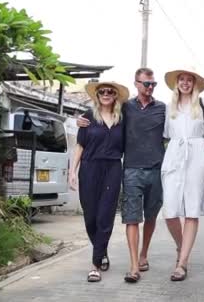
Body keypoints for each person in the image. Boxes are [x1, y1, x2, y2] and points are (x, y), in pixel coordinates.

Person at [77, 68, 166, 284]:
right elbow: (88, 132)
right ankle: (117, 258)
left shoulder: (144, 111)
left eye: (153, 84)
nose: (106, 94)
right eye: (146, 84)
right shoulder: (108, 112)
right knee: (110, 218)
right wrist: (80, 120)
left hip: (136, 169)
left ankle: (113, 261)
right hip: (110, 169)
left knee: (129, 216)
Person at [69, 81, 130, 283]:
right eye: (102, 91)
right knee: (91, 217)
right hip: (89, 167)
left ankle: (95, 265)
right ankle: (102, 251)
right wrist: (72, 171)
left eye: (110, 92)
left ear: (115, 96)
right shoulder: (87, 117)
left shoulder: (123, 118)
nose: (105, 94)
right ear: (97, 95)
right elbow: (80, 145)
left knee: (105, 215)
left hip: (112, 168)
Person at [161, 68, 204, 282]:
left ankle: (182, 263)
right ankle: (182, 248)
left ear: (194, 83)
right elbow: (165, 134)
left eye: (189, 80)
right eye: (181, 79)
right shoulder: (168, 107)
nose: (185, 83)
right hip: (174, 153)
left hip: (198, 154)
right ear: (176, 83)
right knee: (170, 211)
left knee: (192, 210)